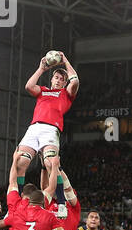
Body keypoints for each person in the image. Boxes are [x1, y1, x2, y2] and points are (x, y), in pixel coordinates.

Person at [9, 52, 80, 195]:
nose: (59, 80)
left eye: (62, 79)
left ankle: (60, 202)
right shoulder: (43, 91)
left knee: (50, 163)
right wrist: (41, 69)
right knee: (20, 163)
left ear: (64, 82)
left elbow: (76, 82)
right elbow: (29, 86)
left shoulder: (66, 94)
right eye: (56, 77)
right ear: (52, 79)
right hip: (34, 128)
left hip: (50, 129)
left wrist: (65, 60)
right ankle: (19, 201)